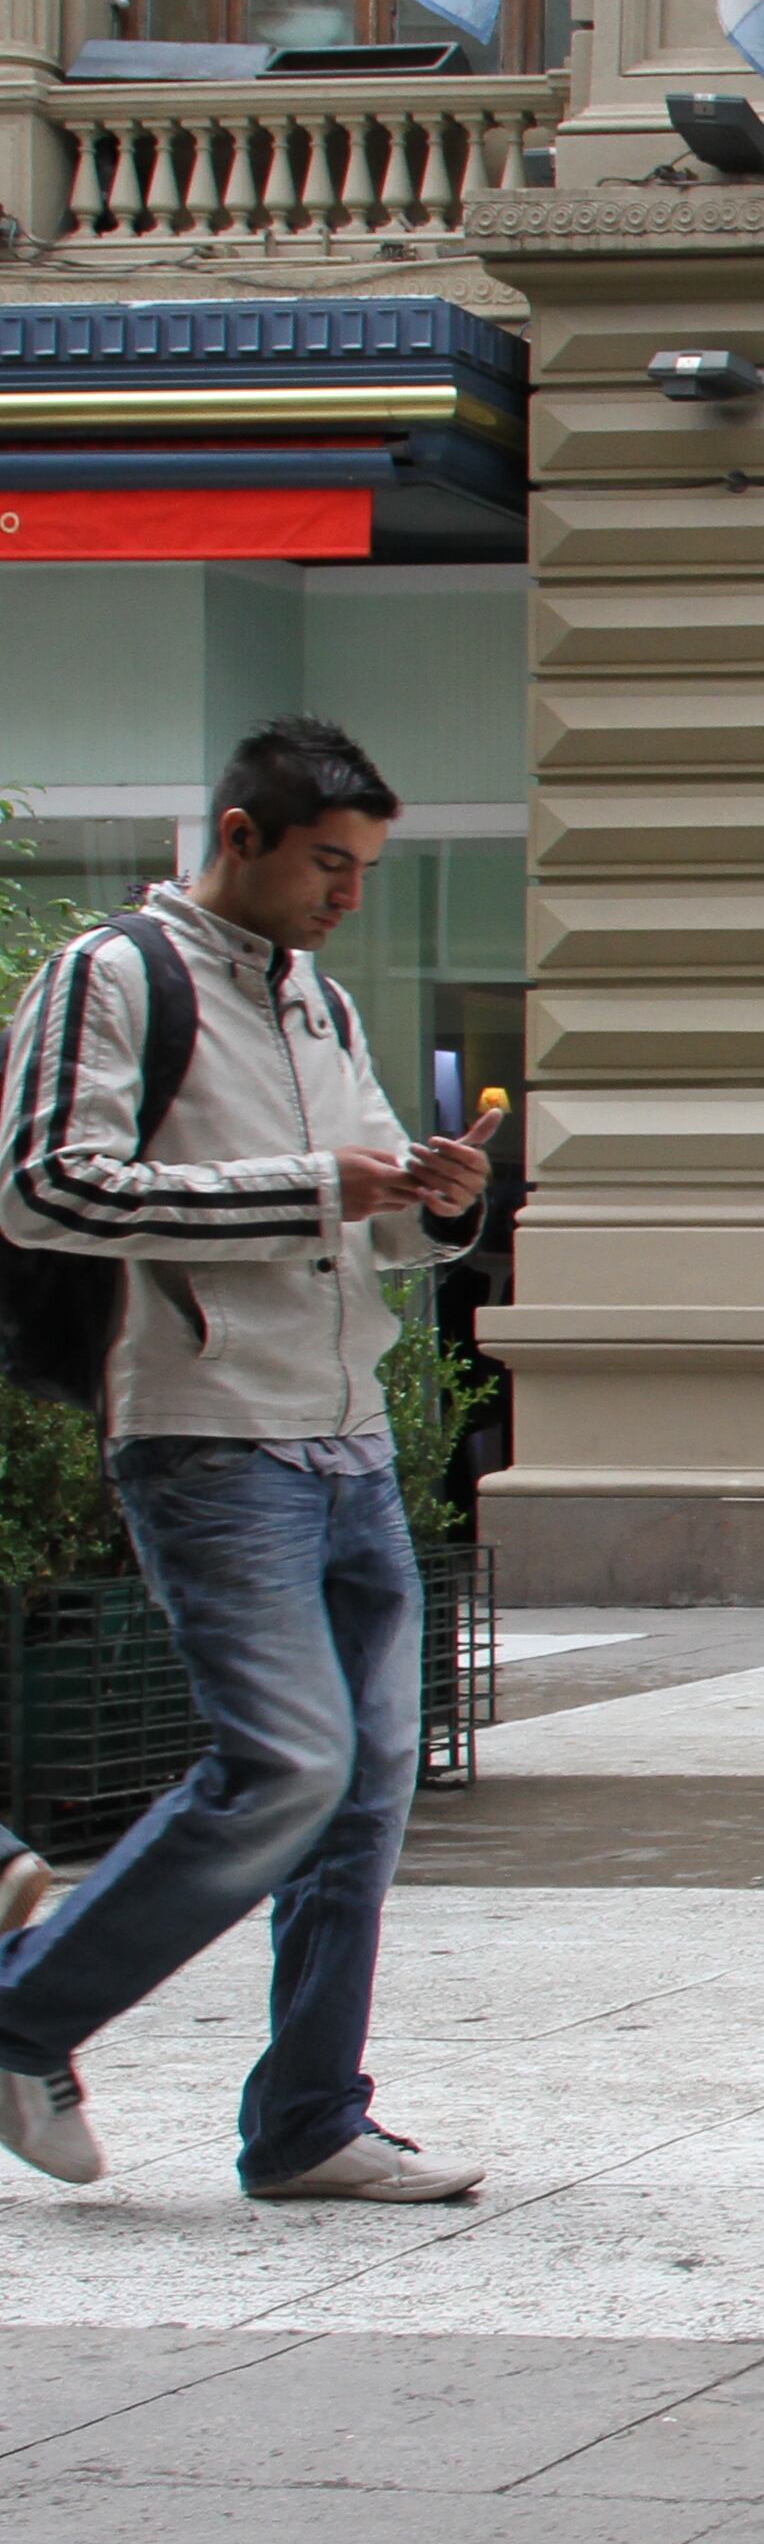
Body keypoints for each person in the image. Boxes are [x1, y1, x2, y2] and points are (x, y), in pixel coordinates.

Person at [0, 717, 490, 2199]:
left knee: (365, 1799)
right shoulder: (113, 974)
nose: (348, 894)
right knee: (287, 1768)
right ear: (239, 835)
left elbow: (362, 1214)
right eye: (328, 863)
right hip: (208, 1434)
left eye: (366, 870)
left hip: (348, 1439)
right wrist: (312, 1188)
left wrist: (434, 1204)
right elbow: (46, 1189)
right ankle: (21, 2020)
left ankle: (308, 2124)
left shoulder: (316, 1003)